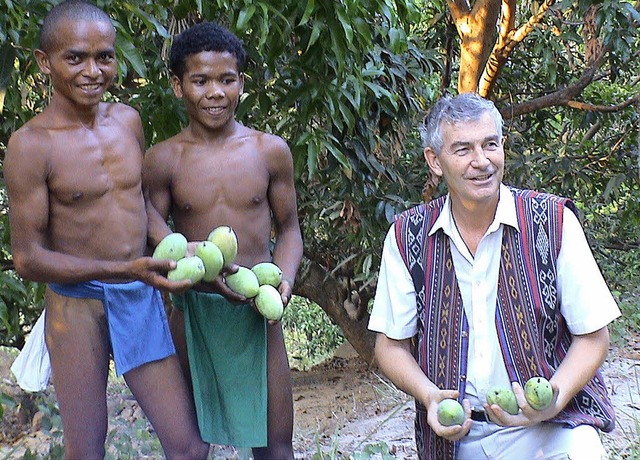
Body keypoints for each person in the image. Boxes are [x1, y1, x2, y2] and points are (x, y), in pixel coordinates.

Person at [4, 1, 210, 459]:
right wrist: (123, 267)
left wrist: (172, 243)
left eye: (105, 57)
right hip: (75, 307)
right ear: (44, 61)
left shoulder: (127, 120)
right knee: (86, 448)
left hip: (138, 293)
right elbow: (28, 257)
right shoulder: (31, 146)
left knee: (190, 446)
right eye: (75, 57)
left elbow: (136, 203)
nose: (93, 70)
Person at [368, 92, 620, 460]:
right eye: (463, 149)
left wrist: (555, 397)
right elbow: (390, 346)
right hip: (457, 441)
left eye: (490, 144)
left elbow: (594, 336)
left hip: (553, 429)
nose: (481, 161)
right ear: (434, 161)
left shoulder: (551, 222)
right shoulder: (409, 237)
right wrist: (428, 395)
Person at [143, 21, 303, 459]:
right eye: (200, 80)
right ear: (178, 86)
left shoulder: (268, 151)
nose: (215, 92)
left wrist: (283, 281)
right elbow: (150, 220)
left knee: (274, 447)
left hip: (256, 310)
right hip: (192, 309)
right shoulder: (163, 159)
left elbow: (289, 229)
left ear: (241, 84)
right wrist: (179, 246)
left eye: (226, 79)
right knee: (190, 448)